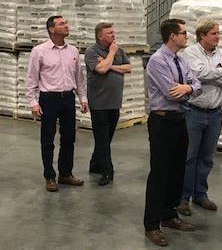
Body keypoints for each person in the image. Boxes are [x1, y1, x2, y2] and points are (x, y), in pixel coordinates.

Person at [143, 18, 202, 247]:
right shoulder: (157, 61)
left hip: (179, 120)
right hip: (162, 122)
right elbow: (170, 93)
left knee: (177, 171)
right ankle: (151, 225)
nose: (186, 36)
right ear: (172, 36)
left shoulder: (180, 59)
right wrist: (188, 89)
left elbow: (195, 85)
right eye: (184, 33)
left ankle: (169, 215)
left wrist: (188, 87)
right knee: (159, 173)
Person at [177, 19, 222, 216]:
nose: (218, 37)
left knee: (207, 158)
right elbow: (197, 73)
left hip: (215, 114)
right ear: (202, 35)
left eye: (218, 33)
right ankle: (183, 198)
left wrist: (213, 75)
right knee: (189, 157)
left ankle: (200, 194)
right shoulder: (190, 53)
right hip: (194, 112)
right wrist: (220, 71)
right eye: (214, 33)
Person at [26, 15, 88, 192]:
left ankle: (65, 174)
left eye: (66, 23)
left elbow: (79, 78)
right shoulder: (39, 51)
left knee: (69, 138)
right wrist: (33, 102)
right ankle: (49, 176)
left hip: (68, 98)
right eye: (62, 24)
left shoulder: (73, 51)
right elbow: (31, 78)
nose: (66, 26)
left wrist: (82, 98)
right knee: (48, 139)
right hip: (48, 99)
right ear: (52, 29)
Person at [84, 22, 132, 186]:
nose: (113, 35)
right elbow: (101, 70)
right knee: (103, 139)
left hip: (114, 102)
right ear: (100, 36)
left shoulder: (120, 51)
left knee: (106, 138)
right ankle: (107, 171)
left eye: (113, 32)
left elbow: (128, 68)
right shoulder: (91, 52)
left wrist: (109, 64)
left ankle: (95, 164)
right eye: (109, 33)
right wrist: (111, 54)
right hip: (99, 103)